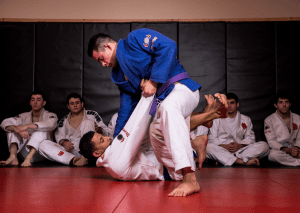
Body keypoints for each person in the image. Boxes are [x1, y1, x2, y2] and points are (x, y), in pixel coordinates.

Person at [79, 94, 227, 194]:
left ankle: (199, 132)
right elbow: (135, 131)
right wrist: (148, 95)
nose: (106, 138)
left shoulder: (112, 153)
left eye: (102, 136)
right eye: (101, 141)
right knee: (157, 127)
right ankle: (212, 116)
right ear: (96, 153)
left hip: (166, 157)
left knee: (162, 118)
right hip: (171, 169)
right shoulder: (115, 163)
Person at [39, 93, 109, 166]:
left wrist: (99, 130)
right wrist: (64, 142)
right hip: (72, 149)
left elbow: (105, 131)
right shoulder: (64, 120)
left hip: (90, 149)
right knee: (43, 144)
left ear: (82, 104)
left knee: (87, 122)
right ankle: (73, 160)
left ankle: (84, 157)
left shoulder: (92, 114)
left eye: (77, 103)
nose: (75, 105)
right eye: (72, 103)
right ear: (68, 106)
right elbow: (58, 135)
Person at [207, 93, 269, 166]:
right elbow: (211, 138)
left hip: (240, 151)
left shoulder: (246, 119)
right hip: (222, 149)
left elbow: (251, 139)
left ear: (237, 104)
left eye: (232, 103)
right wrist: (224, 146)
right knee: (208, 147)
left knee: (264, 146)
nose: (229, 106)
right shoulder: (217, 118)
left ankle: (226, 160)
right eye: (227, 103)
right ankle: (241, 161)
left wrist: (239, 146)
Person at [0, 91, 58, 167]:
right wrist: (16, 129)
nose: (35, 102)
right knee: (12, 129)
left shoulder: (51, 115)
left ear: (44, 103)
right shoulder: (24, 116)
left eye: (38, 100)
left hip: (42, 152)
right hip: (24, 152)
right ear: (30, 102)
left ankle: (28, 158)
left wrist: (27, 126)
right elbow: (5, 122)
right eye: (33, 100)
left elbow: (50, 124)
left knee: (39, 131)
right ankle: (13, 157)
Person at [264, 92, 300, 166]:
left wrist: (296, 149)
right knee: (272, 155)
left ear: (290, 104)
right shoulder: (269, 120)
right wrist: (289, 151)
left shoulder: (298, 118)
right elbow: (271, 141)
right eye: (281, 102)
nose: (284, 105)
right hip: (281, 149)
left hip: (296, 147)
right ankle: (297, 162)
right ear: (275, 105)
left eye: (286, 102)